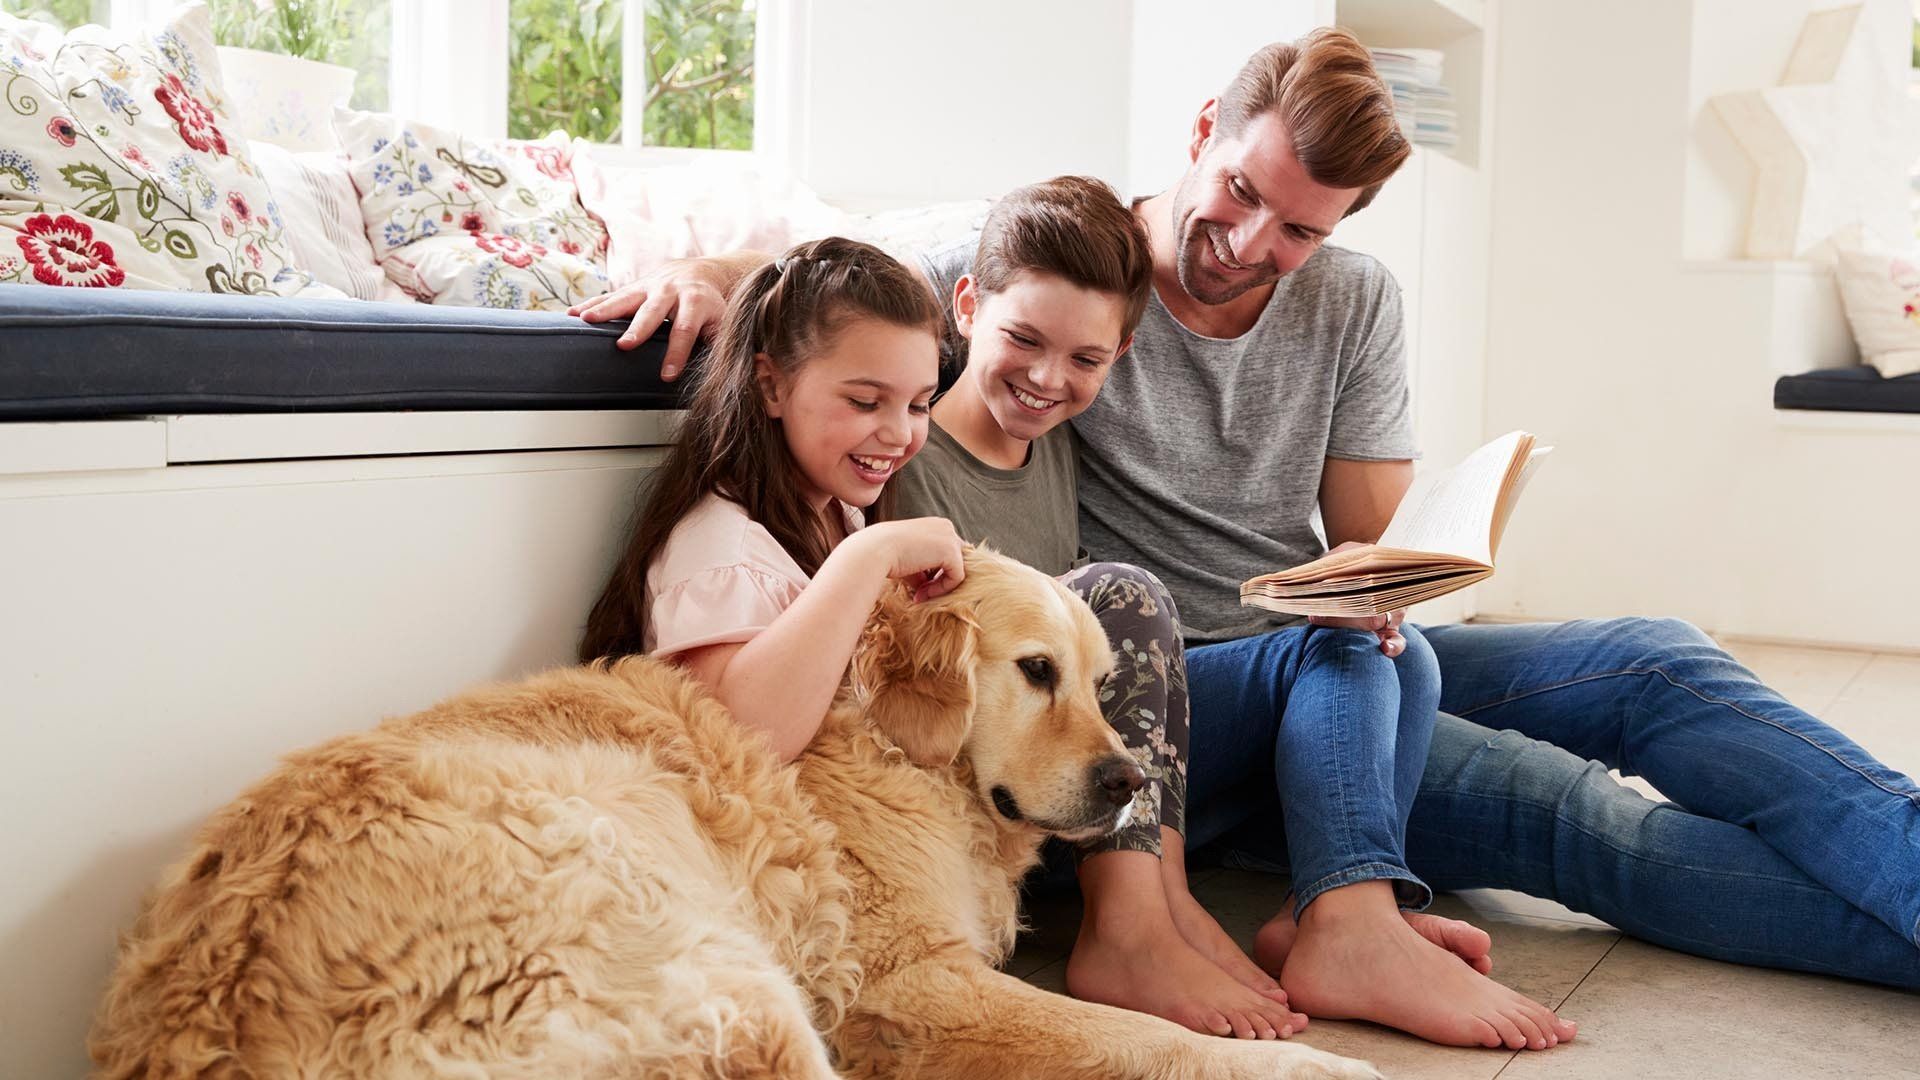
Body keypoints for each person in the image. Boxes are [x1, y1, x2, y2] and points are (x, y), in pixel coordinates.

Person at [570, 27, 1920, 1045]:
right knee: (1586, 829)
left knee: (1649, 658)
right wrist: (705, 273)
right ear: (1208, 128)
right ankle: (1351, 908)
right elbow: (828, 279)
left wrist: (1409, 565)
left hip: (1315, 652)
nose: (1248, 243)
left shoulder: (1349, 304)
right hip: (1177, 694)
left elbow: (1366, 535)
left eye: (1297, 232)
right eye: (1238, 195)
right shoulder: (1058, 270)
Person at [885, 173, 1570, 1050]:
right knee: (1132, 594)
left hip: (1098, 773)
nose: (1050, 377)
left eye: (1087, 360)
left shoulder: (1051, 441)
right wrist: (715, 273)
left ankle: (1315, 909)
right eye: (1024, 339)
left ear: (1121, 354)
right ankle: (1158, 926)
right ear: (967, 307)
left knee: (1390, 650)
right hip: (1015, 798)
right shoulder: (909, 462)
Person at [577, 236, 968, 773]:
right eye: (864, 401)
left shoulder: (835, 513)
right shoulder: (725, 555)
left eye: (920, 404)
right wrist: (869, 556)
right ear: (771, 386)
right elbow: (746, 741)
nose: (901, 433)